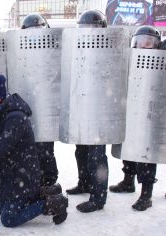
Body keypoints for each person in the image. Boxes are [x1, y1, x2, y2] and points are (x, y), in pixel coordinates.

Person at [0, 74, 68, 227]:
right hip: (11, 176)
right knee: (2, 211)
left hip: (23, 178)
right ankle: (45, 194)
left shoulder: (15, 118)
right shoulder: (1, 114)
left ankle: (54, 203)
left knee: (8, 219)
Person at [109, 25, 162, 211]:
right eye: (138, 43)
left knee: (146, 153)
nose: (142, 47)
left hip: (152, 113)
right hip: (131, 109)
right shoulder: (130, 58)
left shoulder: (161, 60)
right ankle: (128, 181)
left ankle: (146, 195)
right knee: (129, 147)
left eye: (148, 43)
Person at [65, 10, 109, 213]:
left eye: (91, 28)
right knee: (81, 151)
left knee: (96, 156)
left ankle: (98, 197)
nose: (88, 33)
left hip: (100, 114)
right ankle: (84, 183)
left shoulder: (108, 48)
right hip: (83, 111)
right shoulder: (80, 48)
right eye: (84, 29)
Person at [20, 13, 59, 187]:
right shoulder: (20, 52)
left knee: (45, 149)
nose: (36, 37)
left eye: (39, 31)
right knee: (29, 150)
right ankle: (35, 182)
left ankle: (49, 181)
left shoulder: (53, 51)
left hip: (46, 109)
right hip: (27, 107)